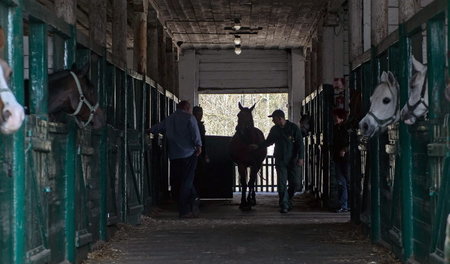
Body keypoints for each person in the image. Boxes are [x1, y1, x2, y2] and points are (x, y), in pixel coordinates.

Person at [149, 100, 202, 218]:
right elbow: (195, 132)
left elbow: (157, 128)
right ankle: (185, 209)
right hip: (188, 154)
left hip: (174, 155)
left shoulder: (170, 118)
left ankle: (194, 199)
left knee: (178, 182)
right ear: (187, 108)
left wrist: (148, 131)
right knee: (187, 182)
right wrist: (198, 145)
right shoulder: (190, 118)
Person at [250, 109, 304, 213]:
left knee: (295, 183)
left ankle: (287, 199)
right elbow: (268, 142)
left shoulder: (293, 128)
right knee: (281, 183)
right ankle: (284, 205)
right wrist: (258, 146)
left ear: (280, 118)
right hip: (280, 160)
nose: (272, 121)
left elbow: (300, 144)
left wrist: (301, 157)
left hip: (293, 160)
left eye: (273, 119)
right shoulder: (275, 130)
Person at [332, 108, 350, 213]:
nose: (334, 118)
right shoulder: (336, 128)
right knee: (341, 181)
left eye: (336, 117)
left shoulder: (346, 128)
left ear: (341, 118)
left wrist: (344, 149)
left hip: (346, 158)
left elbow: (351, 141)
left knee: (344, 181)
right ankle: (344, 204)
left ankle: (345, 204)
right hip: (338, 157)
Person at [192, 106, 209, 198]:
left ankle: (196, 196)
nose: (201, 116)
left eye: (201, 114)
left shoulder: (197, 124)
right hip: (196, 152)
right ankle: (196, 196)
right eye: (199, 114)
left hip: (197, 152)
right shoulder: (196, 124)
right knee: (197, 175)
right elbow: (201, 141)